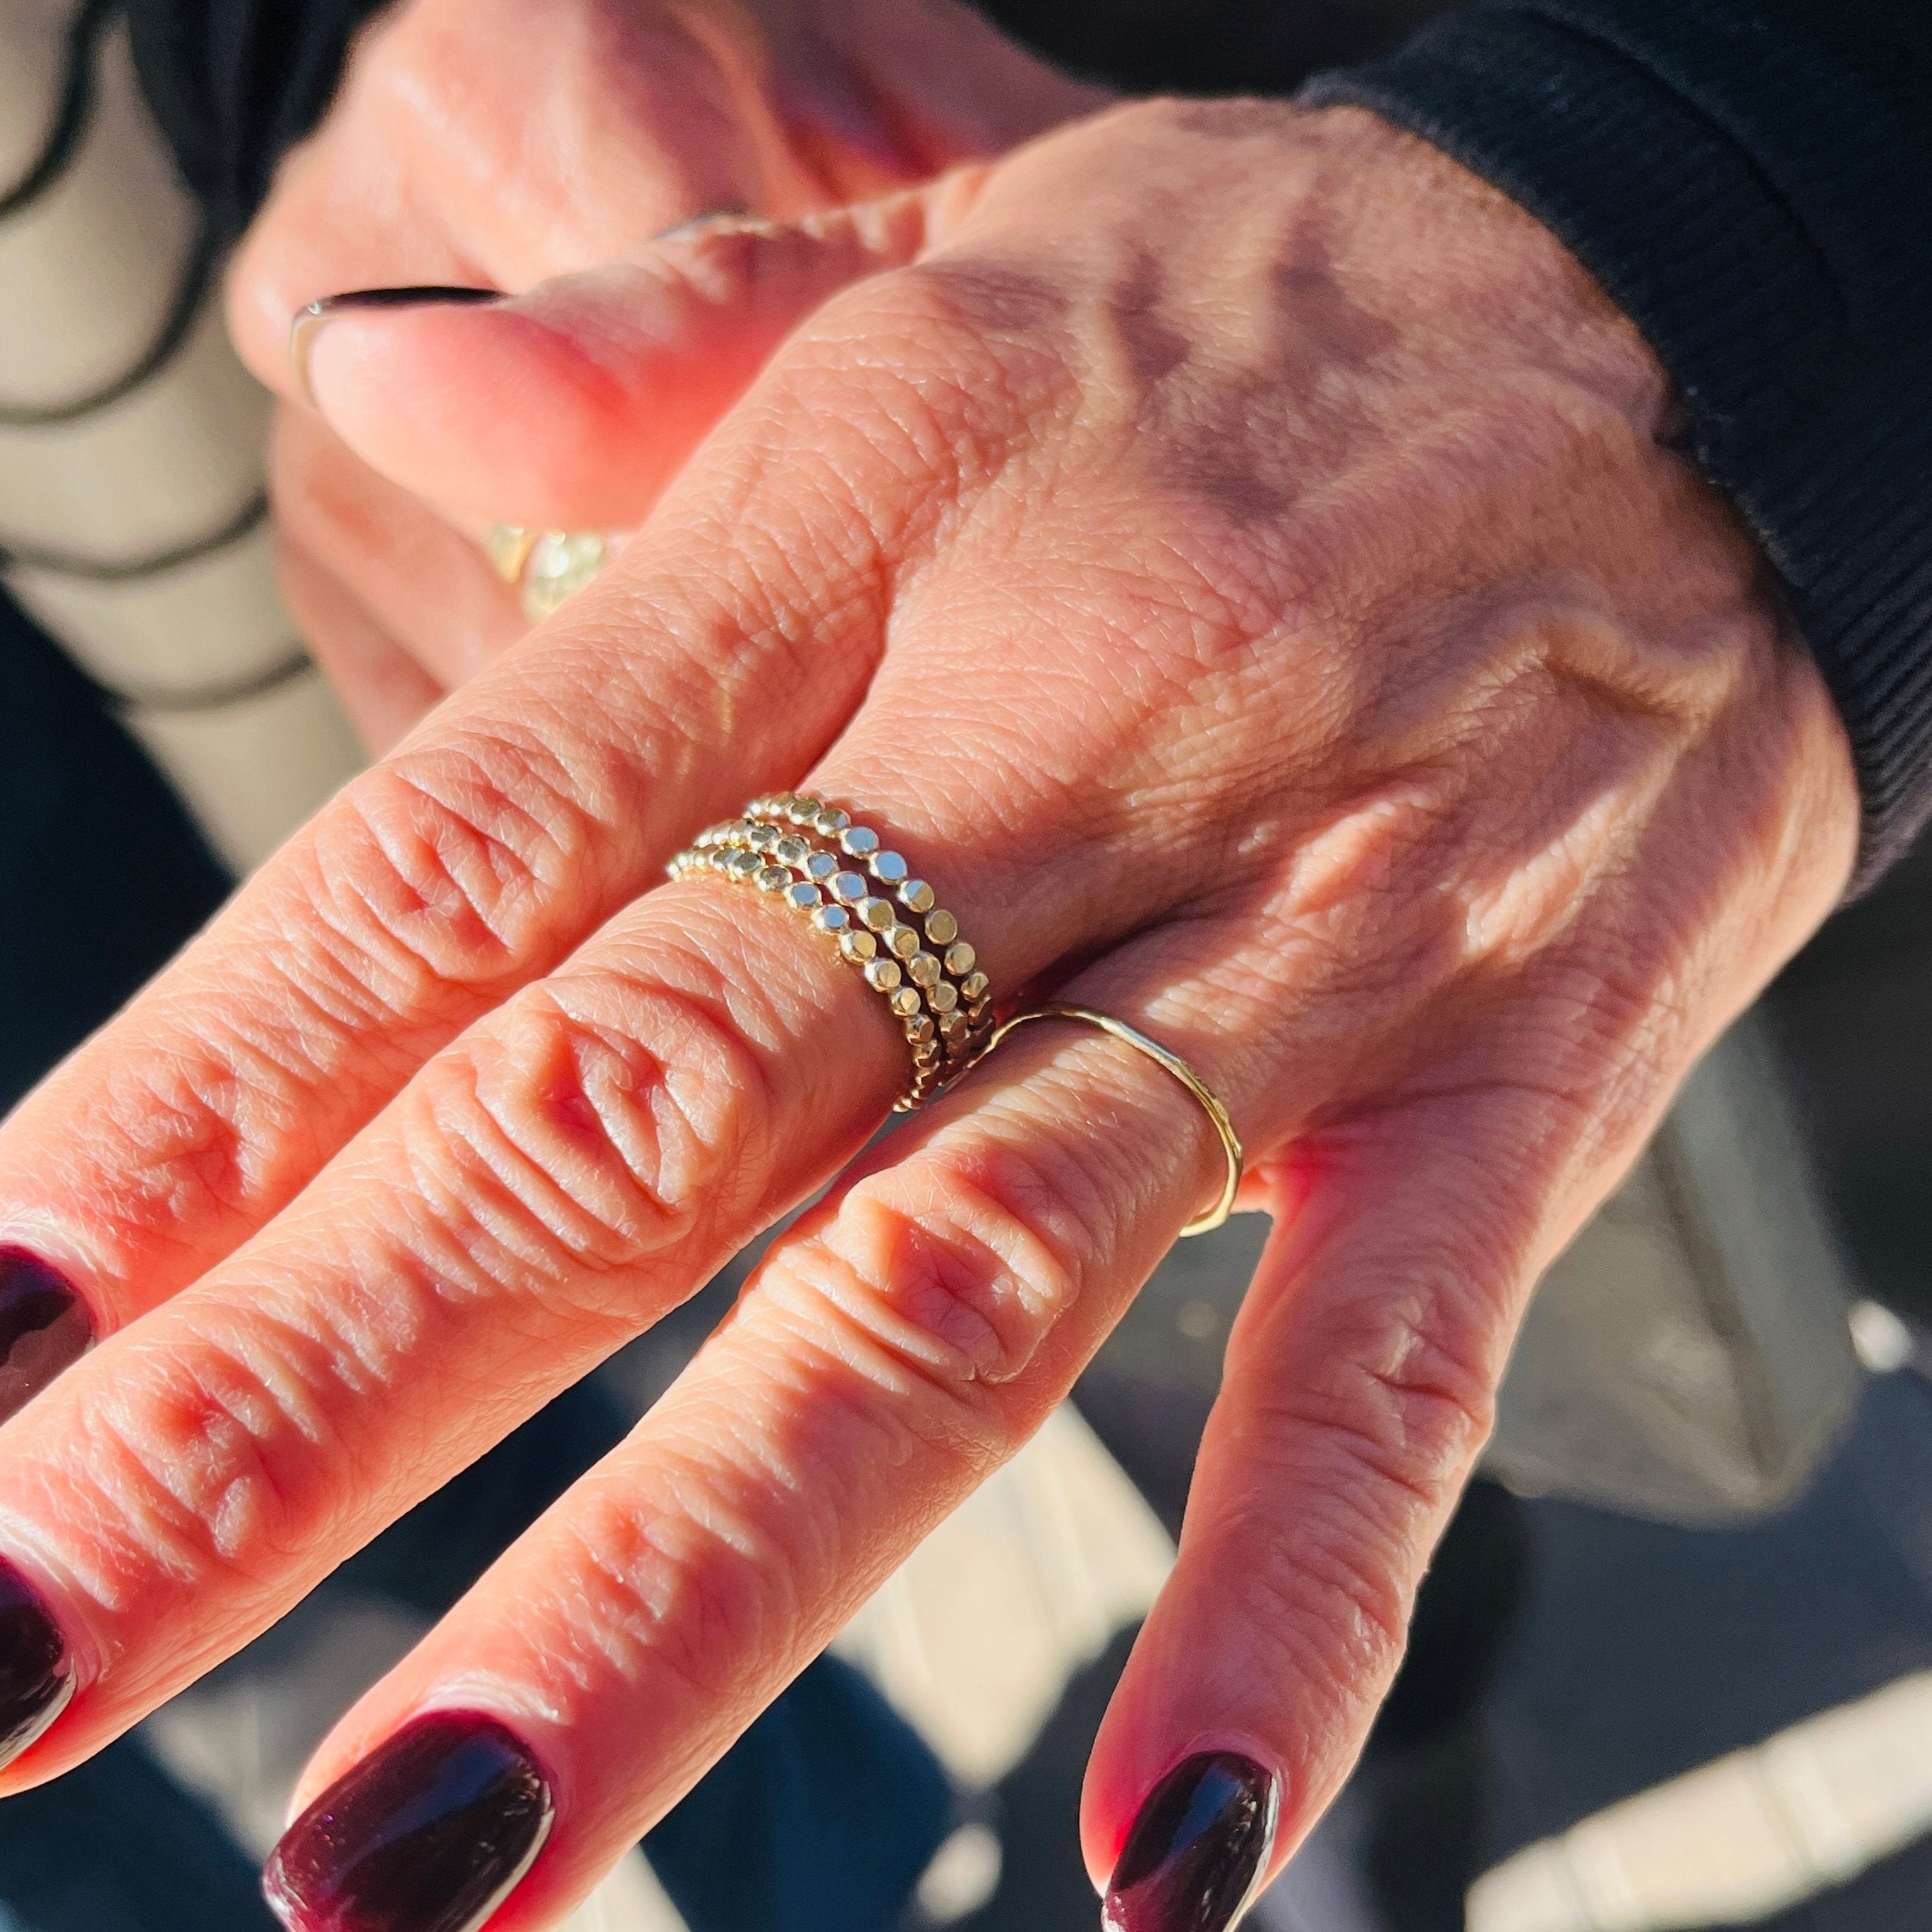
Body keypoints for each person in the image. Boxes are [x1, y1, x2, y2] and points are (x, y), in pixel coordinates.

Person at [0, 6, 1925, 1932]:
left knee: (1333, 1373)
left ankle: (1354, 1760)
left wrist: (1719, 233)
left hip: (1618, 563)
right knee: (1070, 1328)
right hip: (898, 421)